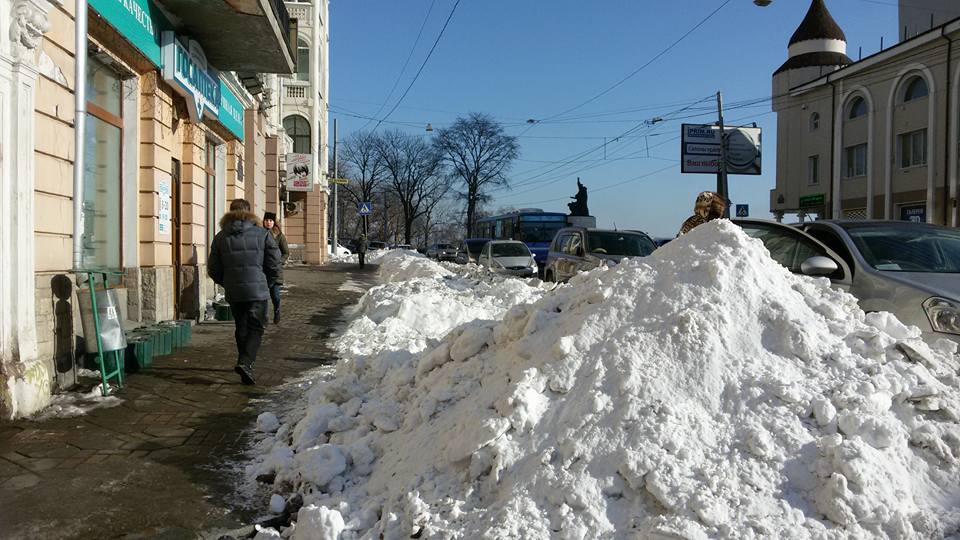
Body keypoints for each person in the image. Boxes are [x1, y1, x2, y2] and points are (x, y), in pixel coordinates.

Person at [208, 199, 281, 385]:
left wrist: (226, 282)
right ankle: (246, 362)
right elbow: (274, 264)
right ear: (250, 212)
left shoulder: (220, 237)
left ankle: (244, 362)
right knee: (256, 326)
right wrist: (268, 282)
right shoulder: (263, 234)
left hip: (234, 289)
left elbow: (213, 268)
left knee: (241, 325)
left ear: (230, 212)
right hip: (258, 289)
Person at [262, 211, 289, 324]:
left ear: (274, 222)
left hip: (275, 270)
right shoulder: (260, 233)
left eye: (271, 221)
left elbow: (286, 252)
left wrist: (279, 262)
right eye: (267, 220)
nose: (268, 223)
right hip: (262, 270)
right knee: (263, 296)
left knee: (275, 295)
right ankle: (264, 316)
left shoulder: (279, 235)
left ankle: (277, 311)